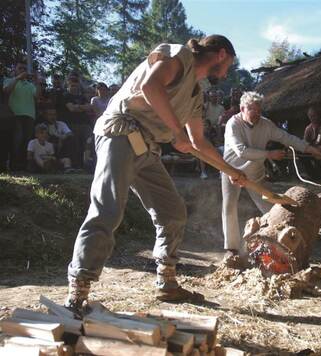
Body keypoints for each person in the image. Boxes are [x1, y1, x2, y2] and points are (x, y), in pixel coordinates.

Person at [65, 35, 245, 312]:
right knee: (108, 210)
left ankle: (167, 282)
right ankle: (78, 289)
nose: (227, 71)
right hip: (120, 133)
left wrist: (231, 171)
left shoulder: (196, 94)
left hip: (147, 148)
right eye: (229, 64)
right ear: (221, 54)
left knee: (172, 212)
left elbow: (198, 142)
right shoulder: (178, 56)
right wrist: (175, 131)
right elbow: (151, 86)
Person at [222, 91, 321, 266]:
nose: (256, 115)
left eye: (259, 111)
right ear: (242, 109)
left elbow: (286, 138)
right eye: (252, 110)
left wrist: (309, 149)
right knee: (229, 207)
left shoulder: (266, 124)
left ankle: (278, 241)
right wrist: (269, 154)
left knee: (268, 206)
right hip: (232, 169)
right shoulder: (233, 124)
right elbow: (241, 151)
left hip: (255, 171)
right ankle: (231, 250)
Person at [2, 60, 41, 171]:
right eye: (20, 68)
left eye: (24, 69)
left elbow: (37, 96)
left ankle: (23, 165)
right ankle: (13, 164)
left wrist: (37, 81)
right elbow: (6, 91)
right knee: (17, 140)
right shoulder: (9, 80)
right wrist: (18, 78)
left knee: (27, 141)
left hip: (29, 116)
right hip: (15, 115)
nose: (23, 71)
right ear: (15, 70)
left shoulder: (30, 85)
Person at [62, 75, 93, 168]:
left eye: (76, 85)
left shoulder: (82, 97)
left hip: (84, 124)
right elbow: (71, 108)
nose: (74, 87)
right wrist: (81, 107)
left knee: (88, 144)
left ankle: (87, 165)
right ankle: (76, 165)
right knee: (75, 145)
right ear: (68, 86)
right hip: (72, 124)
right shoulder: (66, 96)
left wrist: (77, 107)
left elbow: (89, 107)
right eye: (72, 85)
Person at [42, 105, 74, 171]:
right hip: (49, 148)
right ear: (45, 116)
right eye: (50, 114)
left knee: (70, 139)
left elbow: (70, 133)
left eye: (54, 114)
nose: (52, 117)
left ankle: (69, 164)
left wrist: (62, 138)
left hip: (62, 147)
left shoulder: (61, 124)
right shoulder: (42, 126)